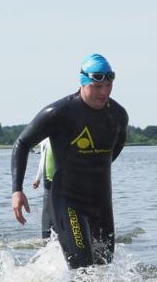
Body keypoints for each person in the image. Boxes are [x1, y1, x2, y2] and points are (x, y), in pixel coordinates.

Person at [10, 53, 129, 269]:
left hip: (101, 202)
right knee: (82, 269)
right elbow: (22, 143)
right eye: (97, 86)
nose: (104, 93)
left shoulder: (118, 115)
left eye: (109, 85)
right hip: (69, 201)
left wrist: (94, 166)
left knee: (104, 268)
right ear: (83, 82)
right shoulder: (60, 113)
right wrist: (17, 190)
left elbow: (117, 146)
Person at [31, 138, 55, 240]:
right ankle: (46, 237)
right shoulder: (44, 141)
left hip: (63, 179)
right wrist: (38, 179)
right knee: (47, 209)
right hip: (48, 180)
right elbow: (42, 161)